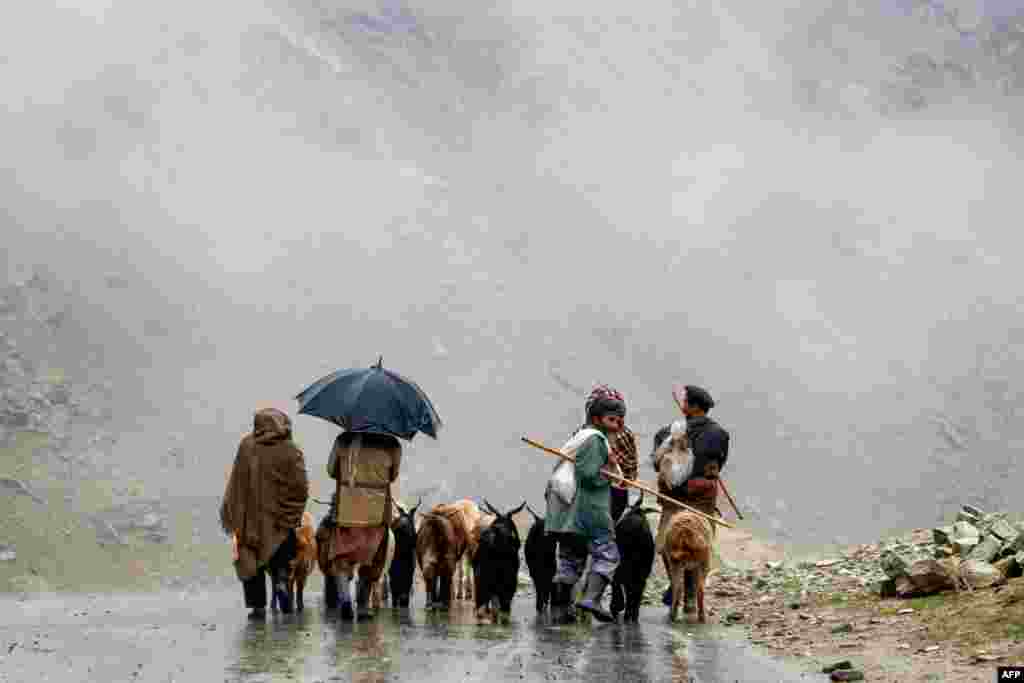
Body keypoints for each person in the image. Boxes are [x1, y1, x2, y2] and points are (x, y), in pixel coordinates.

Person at [545, 384, 626, 623]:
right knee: (608, 555)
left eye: (619, 420)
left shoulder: (579, 438)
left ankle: (560, 610)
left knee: (570, 561)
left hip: (569, 517)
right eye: (612, 419)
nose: (617, 425)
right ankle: (591, 598)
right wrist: (608, 472)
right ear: (597, 419)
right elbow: (589, 475)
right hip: (589, 512)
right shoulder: (595, 440)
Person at [220, 408, 310, 619]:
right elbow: (301, 487)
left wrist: (232, 513)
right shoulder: (291, 450)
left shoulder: (246, 445)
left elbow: (237, 481)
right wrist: (292, 514)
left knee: (250, 561)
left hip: (249, 519)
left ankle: (257, 606)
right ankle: (281, 582)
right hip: (279, 519)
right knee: (282, 554)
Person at [653, 384, 729, 614]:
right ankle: (690, 598)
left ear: (691, 406)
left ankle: (676, 586)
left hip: (673, 500)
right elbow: (717, 465)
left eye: (685, 402)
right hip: (701, 501)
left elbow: (657, 463)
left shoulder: (666, 433)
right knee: (699, 546)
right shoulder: (720, 434)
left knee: (669, 545)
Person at [316, 429, 402, 620]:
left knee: (341, 557)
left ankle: (345, 600)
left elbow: (331, 470)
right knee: (372, 560)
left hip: (347, 508)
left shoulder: (343, 440)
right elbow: (393, 475)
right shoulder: (392, 444)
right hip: (376, 511)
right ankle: (362, 606)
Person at [608, 424, 638, 523]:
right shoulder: (626, 432)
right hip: (620, 486)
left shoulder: (621, 434)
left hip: (615, 486)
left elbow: (628, 462)